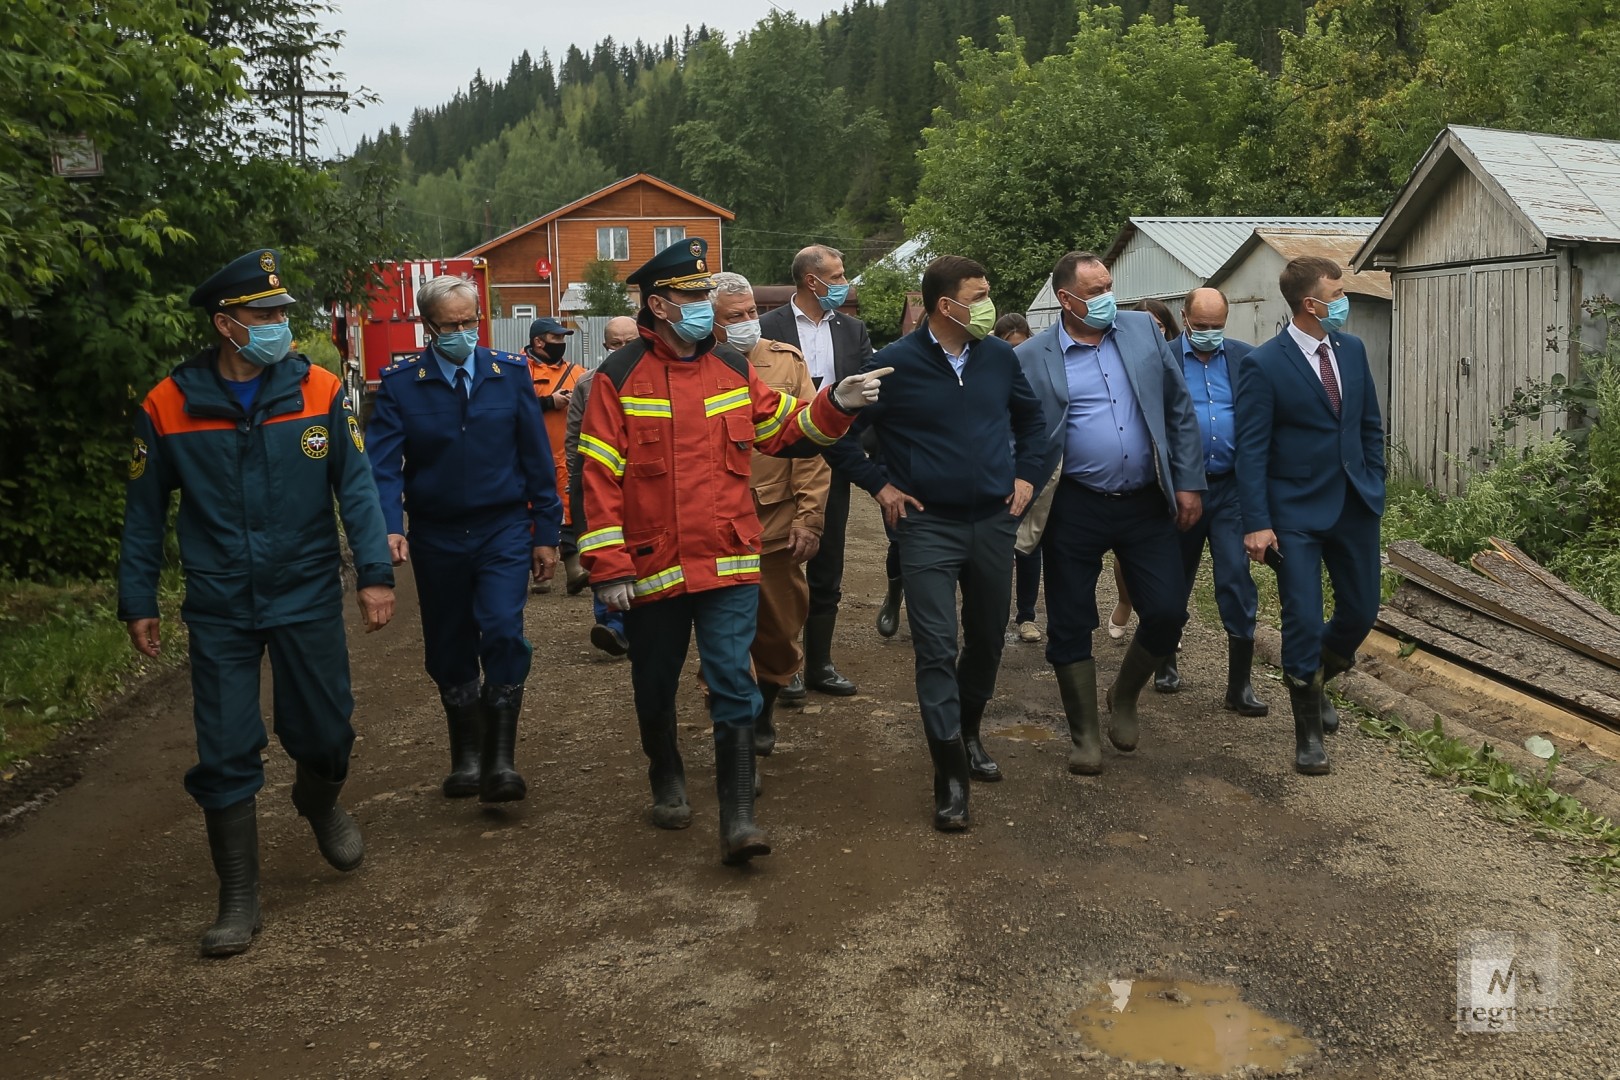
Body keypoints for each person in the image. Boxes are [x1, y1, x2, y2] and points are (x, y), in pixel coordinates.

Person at [117, 249, 396, 956]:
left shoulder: (321, 391)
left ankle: (318, 799)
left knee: (327, 733)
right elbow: (145, 512)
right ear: (225, 324)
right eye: (264, 315)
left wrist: (374, 573)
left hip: (304, 591)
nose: (279, 326)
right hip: (219, 602)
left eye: (281, 314)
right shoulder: (167, 404)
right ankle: (238, 898)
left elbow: (356, 488)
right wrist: (137, 598)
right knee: (225, 747)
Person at [579, 238, 886, 864]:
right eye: (694, 299)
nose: (707, 309)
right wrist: (607, 568)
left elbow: (781, 429)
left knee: (732, 680)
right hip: (653, 566)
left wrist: (837, 405)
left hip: (728, 558)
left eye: (707, 299)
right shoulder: (617, 377)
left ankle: (738, 819)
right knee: (655, 681)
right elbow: (598, 479)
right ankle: (665, 774)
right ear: (660, 305)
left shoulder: (728, 366)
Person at [828, 256, 1045, 831]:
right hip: (927, 526)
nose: (986, 304)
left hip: (993, 522)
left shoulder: (999, 357)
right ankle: (948, 777)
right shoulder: (892, 366)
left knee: (987, 641)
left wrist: (1027, 477)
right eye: (977, 295)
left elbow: (1033, 425)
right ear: (944, 305)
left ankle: (969, 731)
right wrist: (880, 486)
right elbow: (834, 433)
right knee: (935, 645)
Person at [367, 275, 562, 805]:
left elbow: (536, 461)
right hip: (438, 533)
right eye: (450, 325)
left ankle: (500, 759)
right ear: (428, 326)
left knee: (501, 628)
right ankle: (467, 755)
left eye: (469, 322)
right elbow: (381, 467)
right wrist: (388, 524)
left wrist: (545, 533)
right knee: (449, 640)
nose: (462, 333)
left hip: (502, 529)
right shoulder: (402, 386)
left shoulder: (509, 375)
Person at [1015, 252, 1204, 776]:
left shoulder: (1143, 329)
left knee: (1167, 611)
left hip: (1145, 499)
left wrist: (1189, 482)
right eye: (1094, 291)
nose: (1105, 298)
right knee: (1071, 618)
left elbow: (1178, 408)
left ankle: (1123, 695)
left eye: (1108, 287)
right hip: (1074, 502)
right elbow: (1021, 429)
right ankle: (1085, 735)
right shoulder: (1032, 356)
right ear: (1065, 299)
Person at [1236, 256, 1385, 775]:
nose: (1344, 303)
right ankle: (1308, 732)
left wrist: (1376, 479)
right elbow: (1250, 451)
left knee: (1362, 611)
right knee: (1301, 616)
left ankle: (1317, 674)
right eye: (1337, 294)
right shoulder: (1265, 364)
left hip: (1354, 506)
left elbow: (1369, 425)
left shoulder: (1352, 348)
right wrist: (1256, 521)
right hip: (1293, 513)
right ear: (1310, 303)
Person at [710, 272, 830, 756]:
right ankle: (739, 736)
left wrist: (810, 515)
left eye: (750, 312)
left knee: (779, 630)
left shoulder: (784, 361)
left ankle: (768, 698)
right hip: (716, 524)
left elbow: (809, 441)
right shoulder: (700, 365)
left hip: (774, 520)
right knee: (726, 635)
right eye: (733, 317)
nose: (746, 323)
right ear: (711, 323)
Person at [759, 245, 875, 698]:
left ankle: (820, 664)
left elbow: (867, 388)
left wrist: (851, 440)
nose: (846, 283)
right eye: (840, 275)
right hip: (777, 459)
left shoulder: (852, 329)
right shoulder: (767, 328)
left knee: (828, 561)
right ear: (812, 280)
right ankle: (781, 667)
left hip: (835, 456)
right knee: (779, 566)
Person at [1151, 288, 1267, 716]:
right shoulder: (1161, 359)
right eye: (1200, 327)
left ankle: (1240, 685)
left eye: (1217, 328)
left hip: (1232, 488)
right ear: (1184, 318)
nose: (1209, 335)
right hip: (1183, 489)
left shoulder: (1244, 359)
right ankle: (1165, 659)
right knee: (1173, 579)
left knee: (1236, 580)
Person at [565, 315, 639, 656]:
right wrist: (577, 484)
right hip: (602, 482)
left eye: (630, 341)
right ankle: (612, 626)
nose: (623, 349)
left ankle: (639, 621)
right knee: (604, 547)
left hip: (642, 484)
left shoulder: (655, 377)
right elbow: (574, 438)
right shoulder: (588, 384)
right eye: (616, 343)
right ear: (605, 346)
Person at [524, 317, 587, 594]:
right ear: (539, 341)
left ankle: (575, 570)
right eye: (556, 338)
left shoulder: (578, 373)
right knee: (531, 513)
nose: (561, 344)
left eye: (563, 339)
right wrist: (550, 402)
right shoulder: (517, 370)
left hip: (566, 457)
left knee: (570, 511)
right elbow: (508, 408)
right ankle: (540, 574)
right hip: (529, 459)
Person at [993, 313, 1043, 644]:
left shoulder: (1038, 376)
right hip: (994, 471)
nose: (1017, 355)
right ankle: (992, 615)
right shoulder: (989, 375)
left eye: (1022, 348)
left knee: (1029, 543)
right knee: (995, 548)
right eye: (1010, 348)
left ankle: (1026, 615)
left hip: (1026, 471)